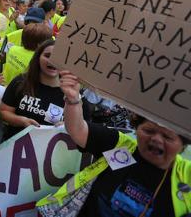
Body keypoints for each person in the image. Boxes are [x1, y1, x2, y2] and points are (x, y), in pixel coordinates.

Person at [37, 71, 191, 217]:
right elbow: (77, 129)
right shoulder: (120, 145)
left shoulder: (187, 176)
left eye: (167, 137)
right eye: (149, 131)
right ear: (136, 129)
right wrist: (72, 99)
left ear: (183, 145)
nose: (156, 139)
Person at [1, 40, 75, 140]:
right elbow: (4, 112)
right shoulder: (20, 82)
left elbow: (81, 125)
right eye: (48, 55)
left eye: (59, 58)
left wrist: (66, 127)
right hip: (14, 148)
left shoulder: (71, 93)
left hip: (51, 151)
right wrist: (21, 121)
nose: (53, 61)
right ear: (38, 58)